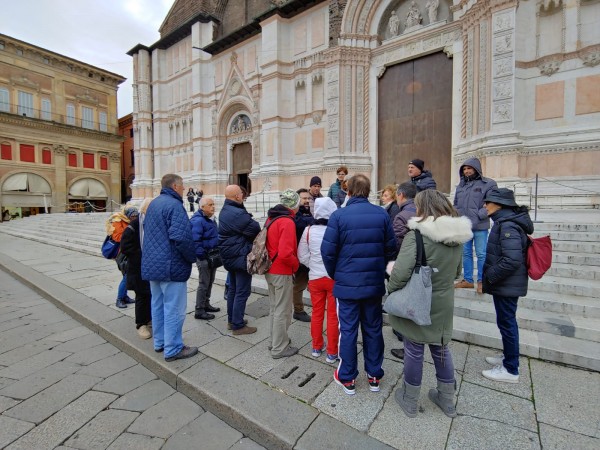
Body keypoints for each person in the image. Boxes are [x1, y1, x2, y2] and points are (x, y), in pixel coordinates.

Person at [387, 190, 472, 418]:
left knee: (414, 349)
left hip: (419, 299)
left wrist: (391, 290)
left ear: (423, 208)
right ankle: (447, 399)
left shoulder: (416, 236)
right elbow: (457, 272)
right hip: (443, 301)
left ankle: (410, 398)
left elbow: (400, 273)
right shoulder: (458, 237)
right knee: (441, 348)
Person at [321, 174, 396, 395]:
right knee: (373, 330)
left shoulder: (339, 215)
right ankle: (374, 374)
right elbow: (390, 250)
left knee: (348, 330)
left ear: (348, 192)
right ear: (369, 190)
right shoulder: (381, 214)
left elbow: (327, 251)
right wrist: (379, 272)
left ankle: (347, 377)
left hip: (347, 285)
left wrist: (337, 274)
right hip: (372, 284)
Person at [141, 174, 198, 362]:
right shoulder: (174, 206)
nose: (183, 189)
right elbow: (181, 237)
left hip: (153, 265)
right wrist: (191, 257)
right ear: (175, 186)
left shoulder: (154, 204)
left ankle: (160, 342)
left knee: (157, 305)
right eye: (182, 187)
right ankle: (173, 348)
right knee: (174, 308)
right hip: (170, 266)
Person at [481, 188, 533, 384]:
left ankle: (511, 369)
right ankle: (508, 357)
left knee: (507, 323)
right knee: (506, 322)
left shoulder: (508, 226)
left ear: (500, 204)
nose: (485, 205)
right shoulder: (504, 222)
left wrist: (490, 276)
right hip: (507, 283)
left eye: (488, 202)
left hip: (506, 283)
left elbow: (512, 260)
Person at [298, 197, 339, 363]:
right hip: (333, 278)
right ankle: (332, 352)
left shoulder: (308, 230)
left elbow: (302, 255)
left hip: (314, 278)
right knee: (333, 316)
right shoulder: (336, 230)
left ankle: (316, 347)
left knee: (316, 313)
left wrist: (313, 266)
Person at [218, 184, 261, 335]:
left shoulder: (226, 209)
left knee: (233, 290)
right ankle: (238, 325)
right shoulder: (237, 213)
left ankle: (232, 320)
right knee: (242, 291)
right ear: (237, 196)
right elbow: (255, 229)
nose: (243, 196)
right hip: (240, 256)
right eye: (241, 194)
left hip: (230, 256)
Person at [265, 189, 301, 358]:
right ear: (294, 205)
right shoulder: (287, 222)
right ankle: (280, 348)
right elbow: (286, 253)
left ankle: (274, 341)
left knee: (274, 307)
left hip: (270, 269)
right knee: (283, 310)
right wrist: (296, 265)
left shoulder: (271, 218)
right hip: (282, 271)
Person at [453, 157, 498, 294]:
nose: (466, 171)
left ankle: (482, 281)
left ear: (476, 169)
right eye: (464, 169)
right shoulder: (460, 186)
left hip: (480, 225)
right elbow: (455, 204)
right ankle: (468, 280)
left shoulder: (488, 184)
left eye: (469, 168)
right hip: (464, 226)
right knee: (466, 253)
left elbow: (493, 203)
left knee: (481, 254)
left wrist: (480, 215)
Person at [389, 181, 418, 359]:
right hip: (421, 266)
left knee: (404, 303)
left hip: (406, 264)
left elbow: (398, 244)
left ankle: (407, 341)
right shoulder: (422, 210)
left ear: (400, 195)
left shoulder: (401, 216)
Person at [120, 200, 152, 339]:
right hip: (138, 267)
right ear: (144, 210)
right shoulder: (133, 226)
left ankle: (149, 318)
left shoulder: (152, 224)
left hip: (151, 267)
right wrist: (143, 254)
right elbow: (126, 247)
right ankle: (141, 324)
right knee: (141, 296)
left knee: (151, 295)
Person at [190, 196, 221, 320]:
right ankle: (199, 310)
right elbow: (195, 241)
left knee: (210, 281)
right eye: (210, 204)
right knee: (204, 283)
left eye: (213, 204)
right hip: (204, 257)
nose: (213, 207)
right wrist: (203, 257)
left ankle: (206, 304)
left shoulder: (210, 219)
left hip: (212, 256)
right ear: (202, 207)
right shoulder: (198, 221)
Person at [106, 205, 138, 309]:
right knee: (126, 276)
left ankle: (124, 296)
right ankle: (119, 299)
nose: (135, 217)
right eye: (133, 215)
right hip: (122, 253)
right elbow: (117, 237)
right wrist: (130, 234)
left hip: (129, 251)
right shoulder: (118, 221)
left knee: (126, 275)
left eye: (136, 215)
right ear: (128, 214)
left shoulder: (128, 221)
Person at [292, 188, 314, 322]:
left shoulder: (307, 213)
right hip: (300, 256)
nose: (306, 201)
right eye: (304, 198)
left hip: (309, 255)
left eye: (308, 198)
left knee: (304, 283)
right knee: (299, 285)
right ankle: (298, 310)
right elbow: (299, 225)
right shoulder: (296, 215)